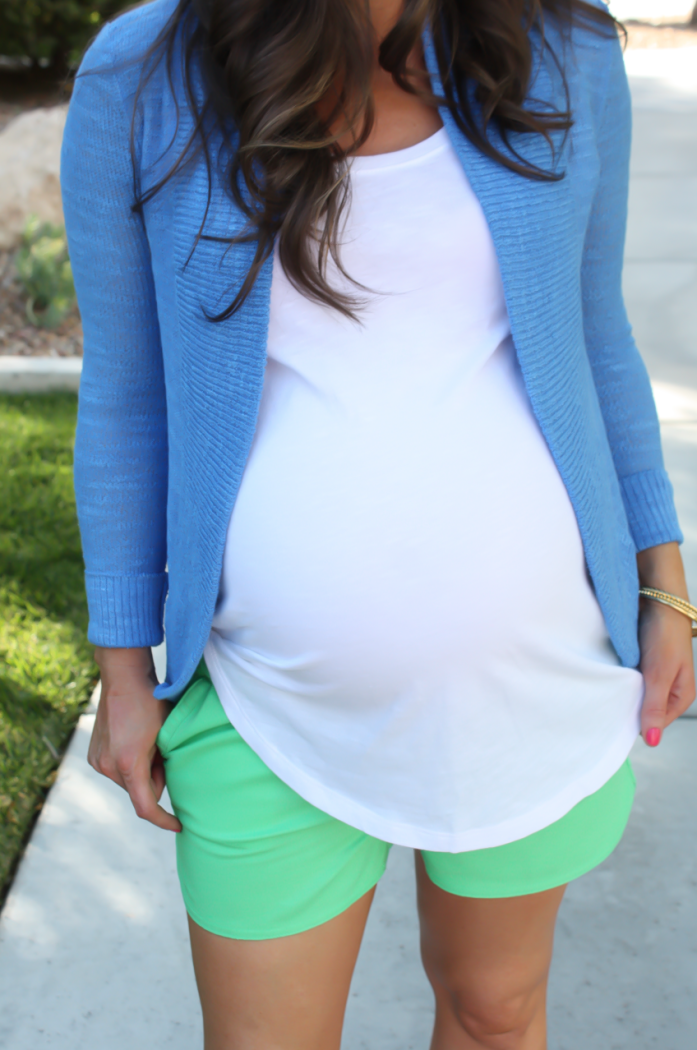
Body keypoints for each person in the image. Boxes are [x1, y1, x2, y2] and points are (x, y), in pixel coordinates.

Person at [61, 0, 696, 1046]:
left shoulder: (562, 50)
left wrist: (661, 581)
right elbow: (126, 392)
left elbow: (595, 331)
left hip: (536, 676)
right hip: (263, 689)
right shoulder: (145, 71)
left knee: (495, 1012)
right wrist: (123, 668)